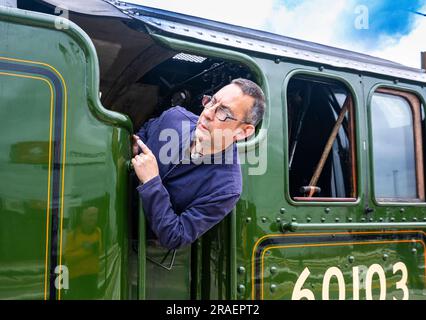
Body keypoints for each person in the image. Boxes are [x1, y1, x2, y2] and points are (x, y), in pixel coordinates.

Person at [132, 78, 265, 249]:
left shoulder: (226, 188)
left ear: (243, 131)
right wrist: (137, 142)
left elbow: (176, 236)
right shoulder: (174, 117)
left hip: (133, 247)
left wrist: (152, 183)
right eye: (211, 101)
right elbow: (147, 128)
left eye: (223, 112)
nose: (208, 113)